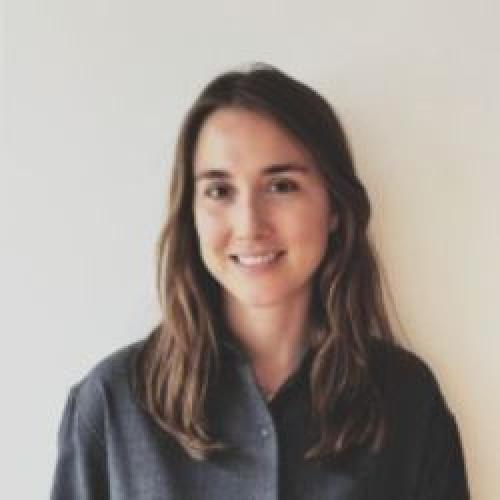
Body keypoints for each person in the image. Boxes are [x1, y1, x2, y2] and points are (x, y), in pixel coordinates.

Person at [51, 63, 470, 499]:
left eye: (281, 186)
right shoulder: (110, 405)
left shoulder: (406, 401)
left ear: (334, 207)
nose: (250, 224)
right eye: (220, 191)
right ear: (191, 213)